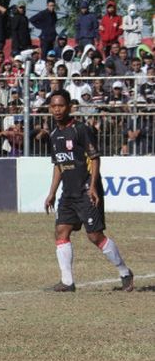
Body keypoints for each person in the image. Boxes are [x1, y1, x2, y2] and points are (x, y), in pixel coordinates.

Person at [42, 90, 134, 292]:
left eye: (61, 105)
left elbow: (94, 158)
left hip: (86, 190)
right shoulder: (54, 134)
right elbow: (58, 165)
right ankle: (67, 282)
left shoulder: (81, 129)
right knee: (61, 230)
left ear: (69, 107)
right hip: (68, 193)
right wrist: (52, 193)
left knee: (95, 236)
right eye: (53, 106)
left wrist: (93, 187)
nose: (57, 109)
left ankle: (125, 273)